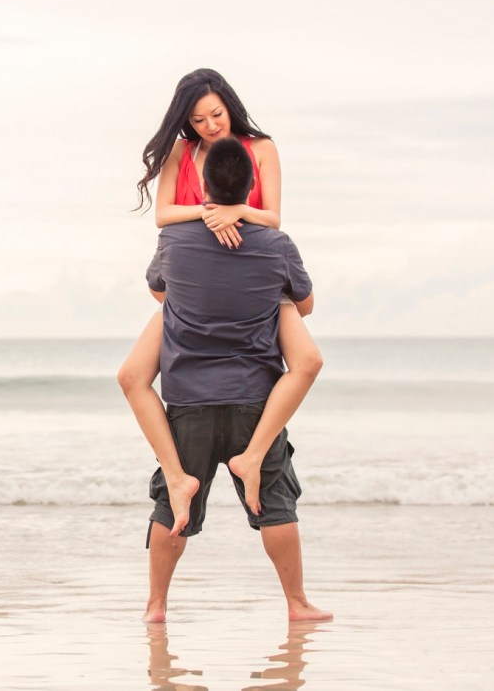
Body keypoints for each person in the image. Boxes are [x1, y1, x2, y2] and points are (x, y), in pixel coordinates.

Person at [117, 68, 323, 537]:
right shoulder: (181, 152)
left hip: (252, 274)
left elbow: (271, 217)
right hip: (195, 282)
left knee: (308, 360)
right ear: (187, 123)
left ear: (229, 105)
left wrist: (237, 210)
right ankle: (176, 474)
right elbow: (164, 216)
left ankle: (250, 459)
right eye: (199, 119)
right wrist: (211, 213)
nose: (212, 125)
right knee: (131, 376)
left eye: (217, 113)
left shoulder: (261, 148)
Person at [142, 136, 330, 623]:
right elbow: (304, 306)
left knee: (173, 500)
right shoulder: (276, 244)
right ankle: (297, 603)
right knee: (275, 500)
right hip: (254, 400)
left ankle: (156, 607)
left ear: (203, 185)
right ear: (252, 187)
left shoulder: (174, 241)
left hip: (188, 402)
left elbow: (158, 291)